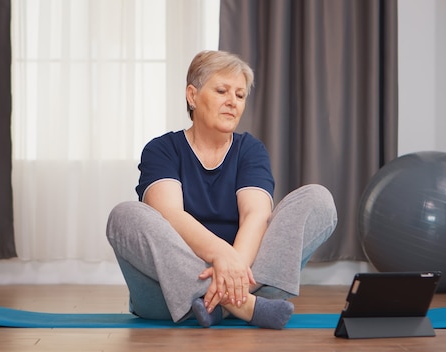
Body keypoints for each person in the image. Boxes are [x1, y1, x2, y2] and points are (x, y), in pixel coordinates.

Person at [106, 50, 337, 329]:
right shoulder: (162, 150)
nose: (232, 102)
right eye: (221, 91)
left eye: (240, 95)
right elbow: (170, 215)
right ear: (192, 96)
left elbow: (255, 215)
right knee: (124, 215)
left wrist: (234, 266)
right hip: (166, 294)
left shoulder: (250, 150)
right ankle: (243, 306)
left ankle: (216, 303)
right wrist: (221, 255)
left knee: (318, 199)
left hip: (250, 279)